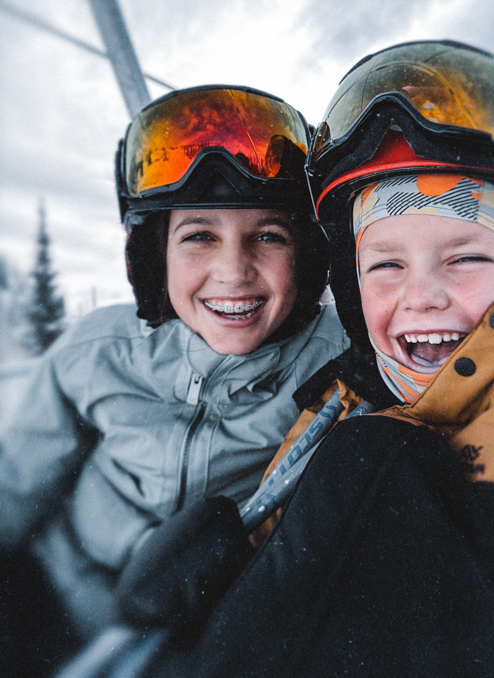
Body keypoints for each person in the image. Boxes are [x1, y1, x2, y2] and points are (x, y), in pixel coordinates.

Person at [124, 41, 494, 677]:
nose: (421, 294)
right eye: (386, 265)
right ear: (350, 286)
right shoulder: (342, 402)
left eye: (466, 257)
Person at [0, 85, 348, 674]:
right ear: (155, 254)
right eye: (199, 236)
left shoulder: (342, 361)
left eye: (268, 235)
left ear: (306, 257)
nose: (233, 272)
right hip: (52, 592)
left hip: (195, 632)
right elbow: (14, 492)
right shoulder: (100, 351)